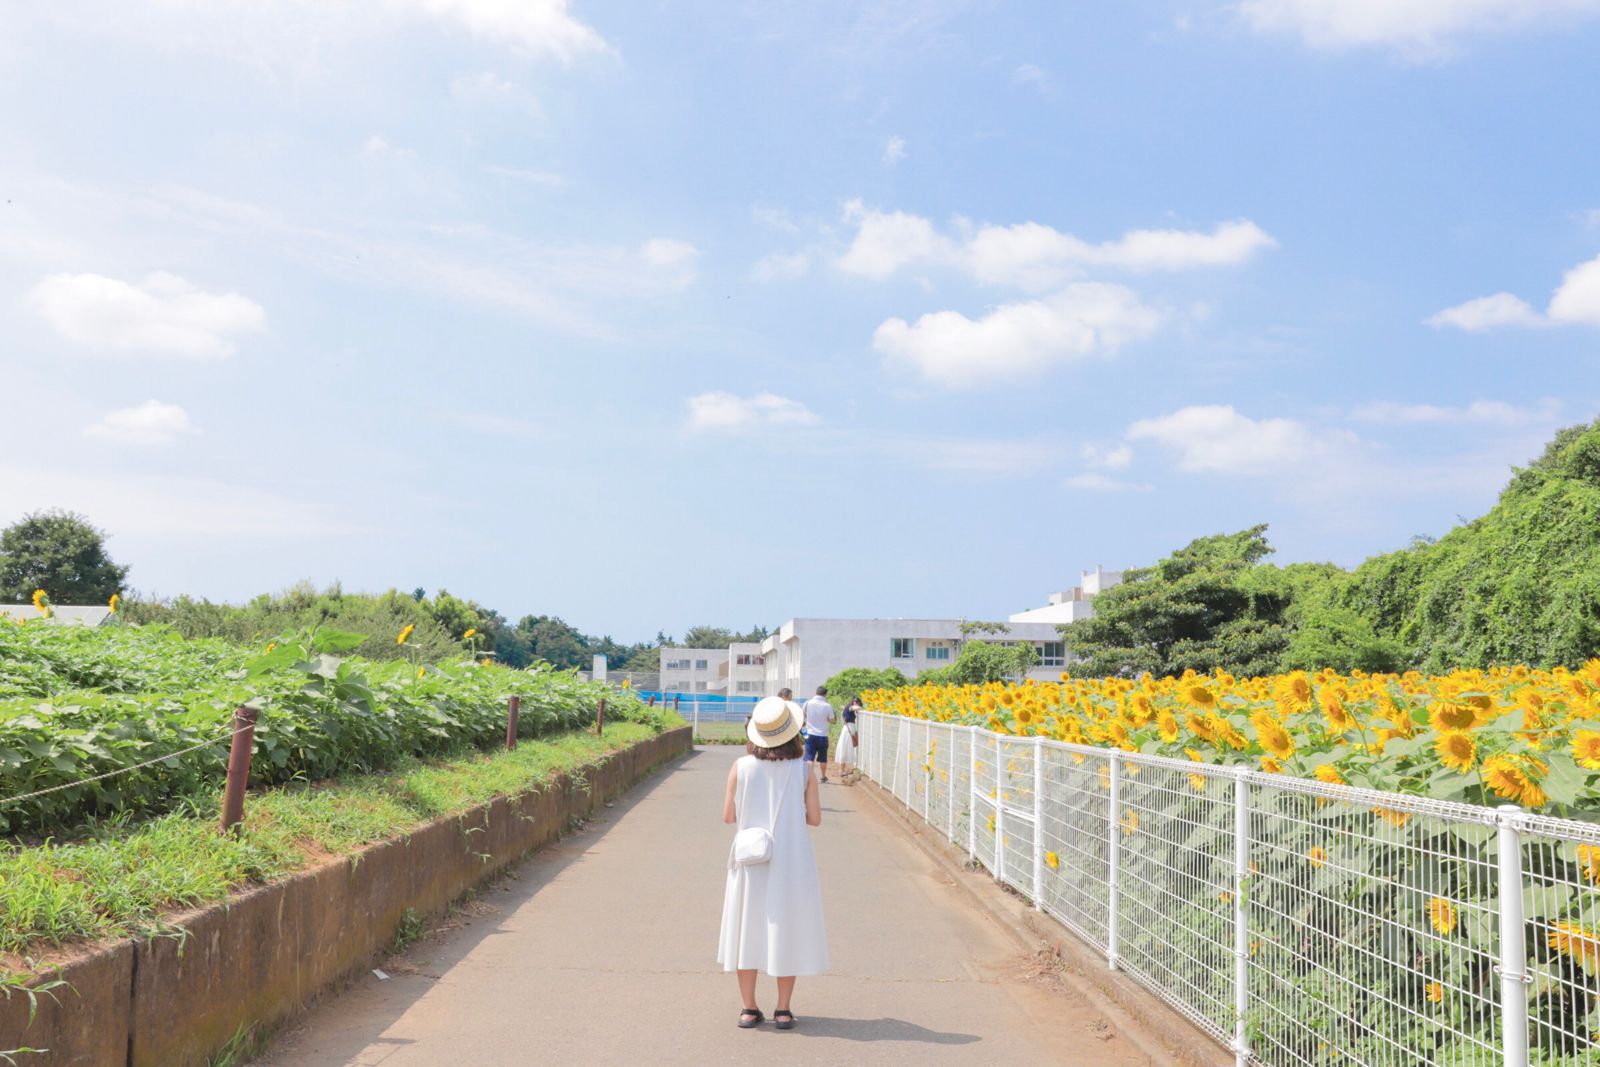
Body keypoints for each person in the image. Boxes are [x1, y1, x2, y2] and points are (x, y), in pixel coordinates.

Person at [718, 696, 827, 1030]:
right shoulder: (804, 769)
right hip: (791, 860)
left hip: (750, 860)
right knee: (786, 928)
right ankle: (783, 1010)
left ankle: (749, 1009)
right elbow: (815, 819)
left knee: (746, 928)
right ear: (793, 733)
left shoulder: (741, 766)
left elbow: (728, 816)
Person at [801, 685, 835, 783]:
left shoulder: (807, 703)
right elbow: (832, 720)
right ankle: (823, 777)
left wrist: (804, 730)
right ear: (825, 694)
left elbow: (802, 716)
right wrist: (827, 719)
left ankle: (808, 776)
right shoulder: (827, 706)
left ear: (816, 692)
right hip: (823, 735)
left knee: (809, 756)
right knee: (823, 758)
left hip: (809, 734)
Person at [835, 696, 861, 783]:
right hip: (849, 729)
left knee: (845, 749)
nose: (856, 703)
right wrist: (858, 707)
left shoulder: (847, 708)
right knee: (845, 749)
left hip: (847, 729)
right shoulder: (850, 707)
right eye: (855, 702)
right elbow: (856, 707)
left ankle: (842, 769)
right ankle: (841, 770)